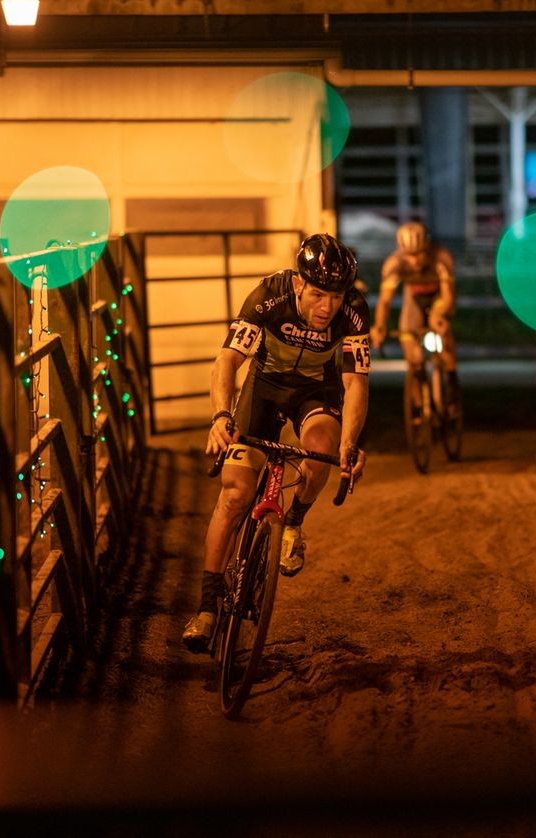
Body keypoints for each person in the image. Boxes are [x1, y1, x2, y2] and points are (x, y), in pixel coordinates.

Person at [182, 233, 370, 652]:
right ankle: (207, 608)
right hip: (264, 387)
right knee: (235, 493)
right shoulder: (269, 295)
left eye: (336, 297)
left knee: (321, 454)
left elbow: (356, 382)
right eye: (319, 294)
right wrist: (220, 416)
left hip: (316, 394)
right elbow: (228, 360)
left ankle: (294, 524)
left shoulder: (354, 312)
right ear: (299, 284)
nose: (327, 308)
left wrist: (350, 444)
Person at [368, 221, 459, 419]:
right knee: (411, 349)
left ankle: (452, 384)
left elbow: (448, 297)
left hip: (439, 298)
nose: (415, 261)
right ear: (401, 252)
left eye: (419, 254)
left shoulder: (441, 258)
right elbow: (384, 301)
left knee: (440, 329)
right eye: (410, 255)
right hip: (414, 299)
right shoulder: (394, 263)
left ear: (428, 248)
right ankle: (419, 402)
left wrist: (440, 315)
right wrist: (380, 326)